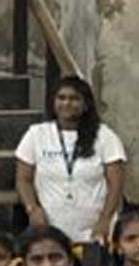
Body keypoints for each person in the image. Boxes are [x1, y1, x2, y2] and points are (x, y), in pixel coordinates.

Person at [15, 75, 126, 244]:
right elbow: (23, 179)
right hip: (49, 231)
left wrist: (105, 219)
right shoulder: (36, 134)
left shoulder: (105, 136)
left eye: (74, 99)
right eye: (61, 98)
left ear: (86, 104)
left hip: (95, 230)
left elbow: (116, 184)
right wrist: (32, 209)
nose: (67, 103)